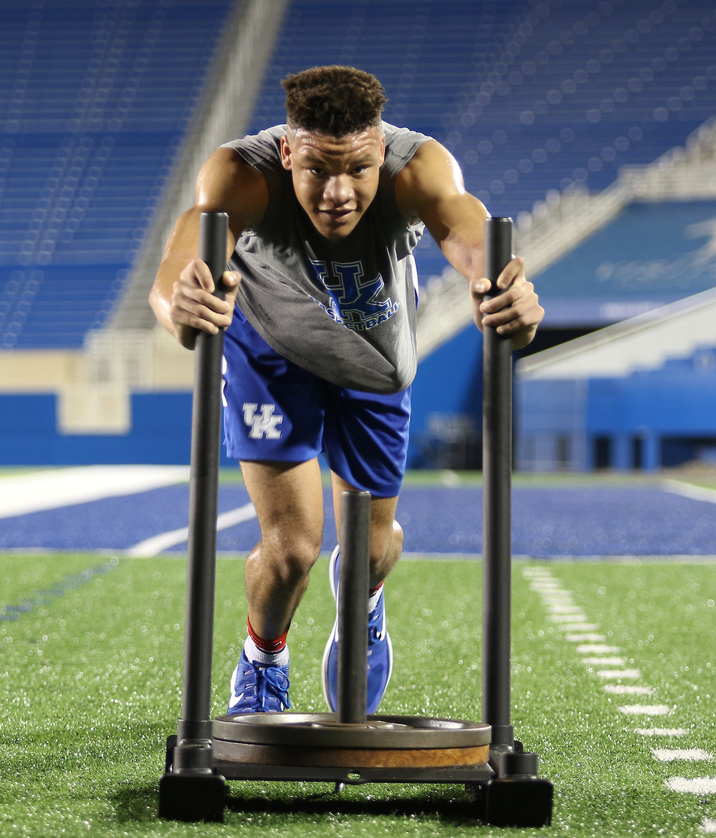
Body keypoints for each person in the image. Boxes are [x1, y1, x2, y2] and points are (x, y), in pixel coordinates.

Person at [150, 66, 544, 715]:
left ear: (379, 150)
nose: (338, 192)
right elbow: (175, 269)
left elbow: (468, 234)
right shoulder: (241, 175)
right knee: (291, 550)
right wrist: (180, 307)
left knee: (369, 549)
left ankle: (360, 602)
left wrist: (505, 292)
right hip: (271, 356)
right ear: (287, 151)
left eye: (357, 170)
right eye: (317, 172)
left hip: (374, 362)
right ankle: (264, 659)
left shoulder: (416, 168)